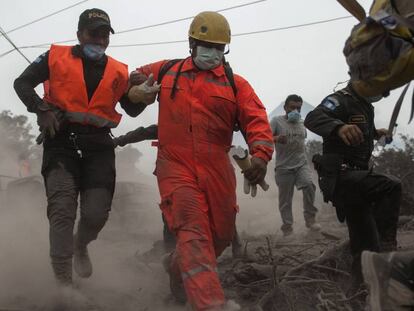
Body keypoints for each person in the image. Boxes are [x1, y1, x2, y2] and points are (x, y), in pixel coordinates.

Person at [128, 11, 274, 311]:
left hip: (217, 166)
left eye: (219, 47)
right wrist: (140, 86)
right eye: (207, 45)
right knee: (193, 230)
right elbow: (135, 74)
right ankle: (211, 304)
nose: (213, 53)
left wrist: (260, 155)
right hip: (175, 164)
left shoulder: (236, 84)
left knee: (219, 235)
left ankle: (175, 265)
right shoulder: (168, 71)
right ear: (191, 43)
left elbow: (256, 120)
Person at [13, 8, 148, 288]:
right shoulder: (54, 57)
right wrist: (40, 109)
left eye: (104, 35)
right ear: (79, 34)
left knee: (96, 214)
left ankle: (81, 244)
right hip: (61, 143)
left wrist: (145, 92)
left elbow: (132, 110)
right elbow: (22, 83)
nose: (99, 40)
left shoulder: (118, 71)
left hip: (98, 147)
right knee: (62, 209)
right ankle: (63, 285)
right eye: (93, 33)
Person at [304, 84, 401, 289]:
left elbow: (360, 131)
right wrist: (338, 127)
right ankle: (388, 248)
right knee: (391, 186)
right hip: (341, 177)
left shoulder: (365, 105)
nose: (380, 94)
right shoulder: (340, 100)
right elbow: (312, 118)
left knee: (365, 247)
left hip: (358, 180)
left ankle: (361, 291)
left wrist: (376, 133)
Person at [270, 94, 320, 236]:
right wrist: (277, 138)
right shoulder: (276, 121)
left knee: (309, 185)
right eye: (292, 107)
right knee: (285, 200)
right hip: (283, 167)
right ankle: (287, 228)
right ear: (285, 107)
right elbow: (264, 137)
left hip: (301, 164)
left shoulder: (301, 123)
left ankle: (310, 219)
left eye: (298, 108)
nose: (296, 111)